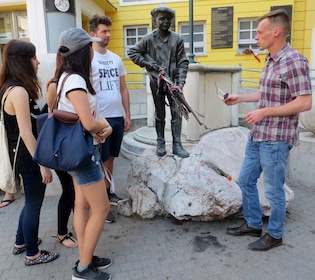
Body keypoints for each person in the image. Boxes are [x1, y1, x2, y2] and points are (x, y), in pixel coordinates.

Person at [224, 9, 312, 251]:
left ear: (276, 32)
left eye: (259, 32)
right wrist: (239, 98)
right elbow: (268, 93)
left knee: (274, 190)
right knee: (246, 180)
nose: (255, 37)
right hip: (259, 134)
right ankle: (253, 223)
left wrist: (264, 112)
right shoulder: (271, 59)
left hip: (276, 138)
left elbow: (304, 101)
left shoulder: (294, 61)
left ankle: (275, 234)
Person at [57, 27, 113, 280]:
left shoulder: (67, 78)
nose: (93, 50)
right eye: (89, 47)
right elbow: (90, 124)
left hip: (78, 151)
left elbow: (89, 115)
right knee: (101, 208)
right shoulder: (76, 80)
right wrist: (106, 127)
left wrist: (103, 126)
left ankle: (86, 255)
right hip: (84, 154)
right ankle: (82, 269)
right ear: (82, 51)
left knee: (81, 205)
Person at [0, 39, 59, 265]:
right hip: (28, 156)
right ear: (23, 61)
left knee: (30, 202)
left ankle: (20, 242)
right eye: (34, 57)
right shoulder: (19, 92)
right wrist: (42, 164)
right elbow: (26, 133)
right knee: (34, 204)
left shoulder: (10, 87)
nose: (37, 62)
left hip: (22, 154)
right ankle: (32, 254)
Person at [128, 4, 190, 158]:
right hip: (157, 83)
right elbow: (132, 52)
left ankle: (177, 144)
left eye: (168, 19)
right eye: (162, 19)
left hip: (173, 83)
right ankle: (160, 142)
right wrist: (149, 65)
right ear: (155, 20)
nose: (165, 22)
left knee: (177, 112)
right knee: (159, 113)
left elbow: (183, 62)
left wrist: (179, 83)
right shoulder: (148, 39)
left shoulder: (177, 39)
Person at [89, 14, 131, 222]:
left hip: (117, 117)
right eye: (104, 31)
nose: (108, 35)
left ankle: (108, 192)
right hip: (100, 120)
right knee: (99, 161)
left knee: (111, 158)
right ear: (93, 34)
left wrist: (127, 115)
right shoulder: (89, 59)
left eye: (109, 31)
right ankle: (101, 204)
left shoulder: (115, 58)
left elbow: (123, 88)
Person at [45, 51, 77, 248]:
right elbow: (52, 116)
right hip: (61, 145)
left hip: (71, 144)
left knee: (74, 189)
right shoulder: (55, 84)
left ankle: (75, 225)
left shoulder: (73, 82)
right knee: (68, 189)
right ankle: (61, 233)